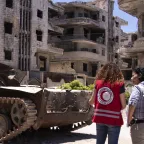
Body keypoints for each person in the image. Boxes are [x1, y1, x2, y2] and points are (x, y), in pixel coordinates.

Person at [89, 62, 126, 144]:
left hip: (99, 117)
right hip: (114, 119)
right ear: (117, 72)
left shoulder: (98, 83)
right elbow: (123, 105)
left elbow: (91, 101)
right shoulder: (119, 84)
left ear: (102, 71)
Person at [127, 67, 144, 144]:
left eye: (133, 75)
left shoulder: (138, 88)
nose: (131, 78)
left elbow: (132, 103)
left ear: (139, 76)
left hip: (139, 125)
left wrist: (129, 120)